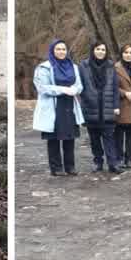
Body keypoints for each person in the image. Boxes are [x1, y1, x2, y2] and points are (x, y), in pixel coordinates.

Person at [33, 39, 83, 176]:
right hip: (53, 106)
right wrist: (63, 90)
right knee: (53, 138)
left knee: (69, 137)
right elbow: (42, 88)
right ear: (52, 51)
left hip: (69, 105)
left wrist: (74, 90)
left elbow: (79, 85)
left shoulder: (73, 67)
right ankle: (56, 168)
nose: (61, 52)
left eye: (63, 49)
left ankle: (70, 167)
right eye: (58, 49)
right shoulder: (44, 67)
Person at [78, 40, 123, 174]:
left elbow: (115, 88)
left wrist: (116, 105)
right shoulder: (84, 66)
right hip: (91, 107)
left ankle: (112, 164)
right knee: (94, 138)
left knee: (109, 137)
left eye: (103, 50)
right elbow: (81, 86)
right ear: (93, 50)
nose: (100, 52)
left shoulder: (110, 66)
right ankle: (98, 162)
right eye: (98, 49)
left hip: (107, 107)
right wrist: (85, 101)